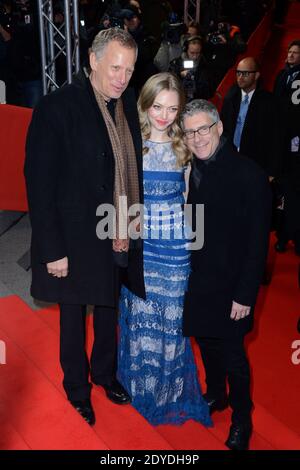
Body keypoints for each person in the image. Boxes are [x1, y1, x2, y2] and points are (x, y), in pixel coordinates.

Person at [24, 27, 145, 426]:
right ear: (92, 60)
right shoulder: (57, 107)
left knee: (109, 304)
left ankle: (105, 375)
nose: (122, 77)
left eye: (129, 69)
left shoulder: (124, 102)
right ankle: (77, 388)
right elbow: (39, 184)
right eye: (115, 67)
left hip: (117, 229)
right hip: (73, 238)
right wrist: (51, 249)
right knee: (73, 315)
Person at [117, 73, 212, 427]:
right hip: (142, 249)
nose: (164, 115)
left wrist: (195, 247)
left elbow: (190, 201)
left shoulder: (183, 147)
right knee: (141, 319)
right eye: (157, 106)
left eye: (172, 109)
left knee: (172, 322)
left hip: (175, 250)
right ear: (145, 104)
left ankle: (169, 392)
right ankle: (142, 387)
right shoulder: (131, 144)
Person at [181, 99, 271, 450]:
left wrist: (244, 296)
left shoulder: (249, 174)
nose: (198, 138)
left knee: (233, 355)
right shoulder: (192, 170)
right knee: (206, 343)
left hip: (233, 286)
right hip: (200, 281)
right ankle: (216, 395)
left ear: (219, 128)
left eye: (204, 129)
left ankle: (241, 419)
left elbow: (257, 244)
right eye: (190, 132)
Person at [221, 57, 283, 282]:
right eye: (238, 72)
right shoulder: (230, 96)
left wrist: (272, 171)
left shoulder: (269, 101)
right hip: (232, 164)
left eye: (245, 73)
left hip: (257, 166)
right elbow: (223, 130)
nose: (240, 77)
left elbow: (276, 137)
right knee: (233, 216)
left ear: (257, 75)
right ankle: (233, 261)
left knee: (256, 220)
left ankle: (257, 268)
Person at [273, 40, 300, 255]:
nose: (290, 55)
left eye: (295, 53)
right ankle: (283, 234)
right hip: (283, 140)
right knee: (284, 192)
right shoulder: (283, 75)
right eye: (289, 52)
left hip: (295, 141)